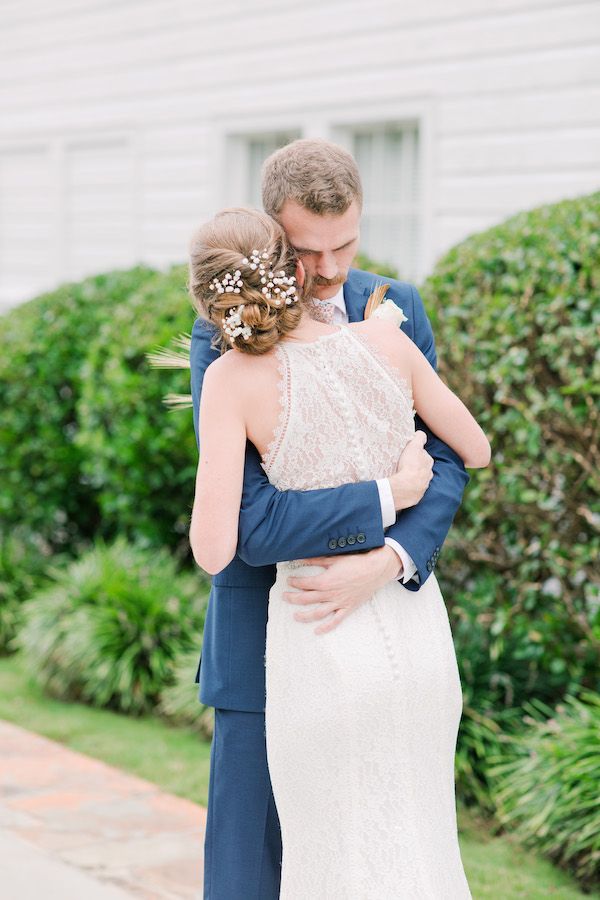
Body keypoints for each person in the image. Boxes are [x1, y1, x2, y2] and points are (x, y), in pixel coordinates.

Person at [188, 139, 482, 898]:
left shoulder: (397, 308)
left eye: (343, 244)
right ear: (271, 234)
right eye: (306, 250)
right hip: (269, 635)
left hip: (395, 634)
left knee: (389, 847)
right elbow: (250, 522)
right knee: (249, 878)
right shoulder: (223, 332)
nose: (327, 270)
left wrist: (388, 561)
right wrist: (382, 501)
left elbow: (446, 461)